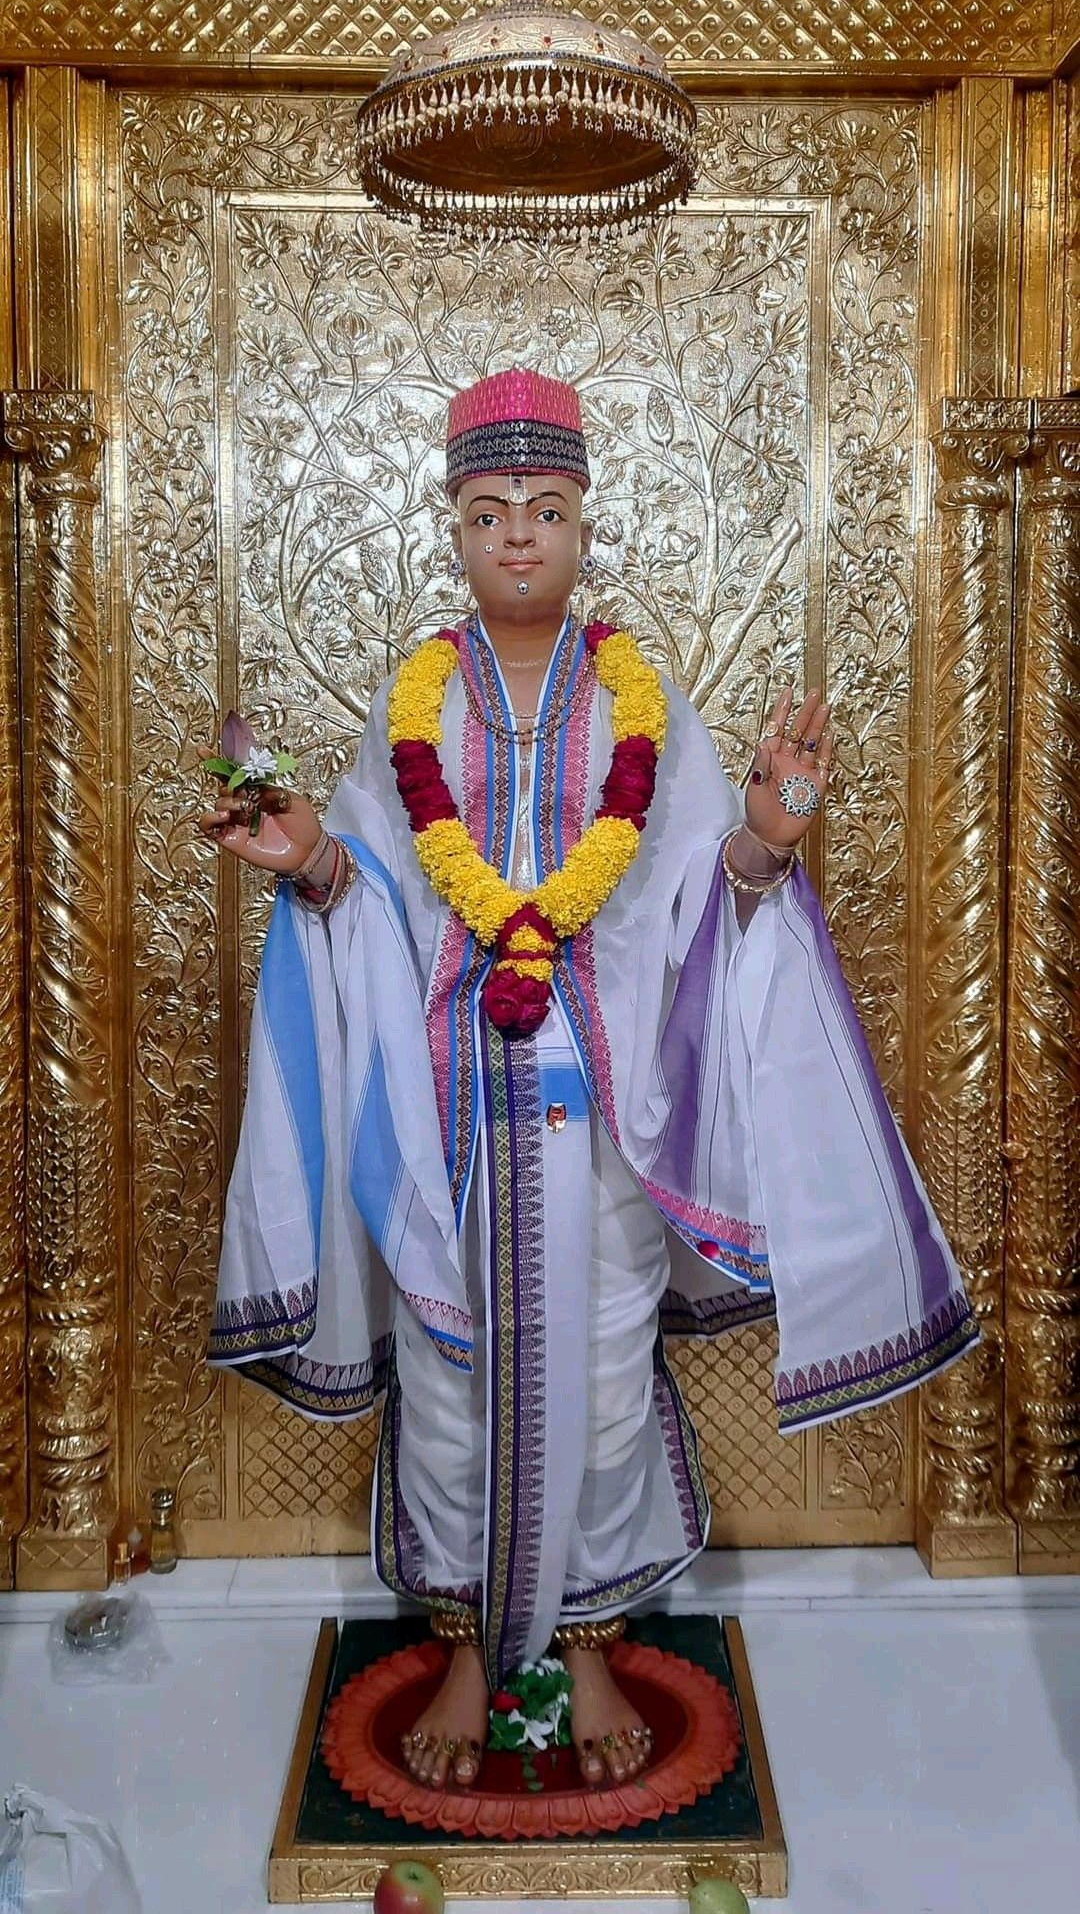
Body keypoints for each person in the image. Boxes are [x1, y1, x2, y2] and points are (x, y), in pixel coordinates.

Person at [201, 369, 977, 1794]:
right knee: (451, 1372)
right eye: (489, 511)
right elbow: (370, 883)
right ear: (452, 526)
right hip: (445, 1098)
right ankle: (463, 1641)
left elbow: (694, 888)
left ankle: (597, 1632)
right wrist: (308, 854)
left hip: (600, 1099)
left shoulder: (640, 695)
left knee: (607, 1368)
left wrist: (768, 834)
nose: (516, 537)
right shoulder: (415, 698)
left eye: (544, 510)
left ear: (581, 524)